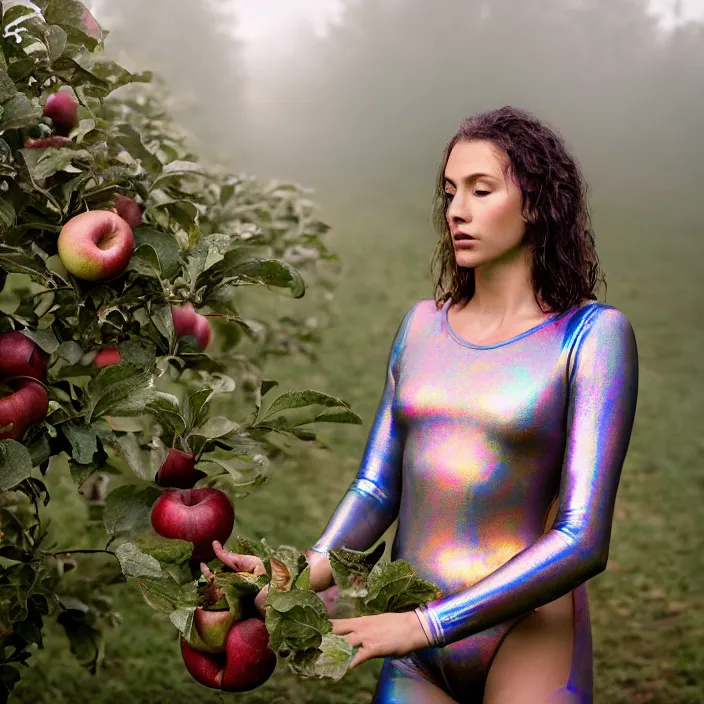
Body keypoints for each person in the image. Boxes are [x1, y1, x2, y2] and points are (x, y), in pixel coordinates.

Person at [204, 105, 639, 703]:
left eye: (481, 190)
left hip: (526, 635)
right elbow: (377, 489)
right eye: (450, 192)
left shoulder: (593, 337)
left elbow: (583, 539)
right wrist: (298, 574)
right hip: (410, 641)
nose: (457, 210)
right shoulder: (421, 326)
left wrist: (422, 625)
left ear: (536, 203)